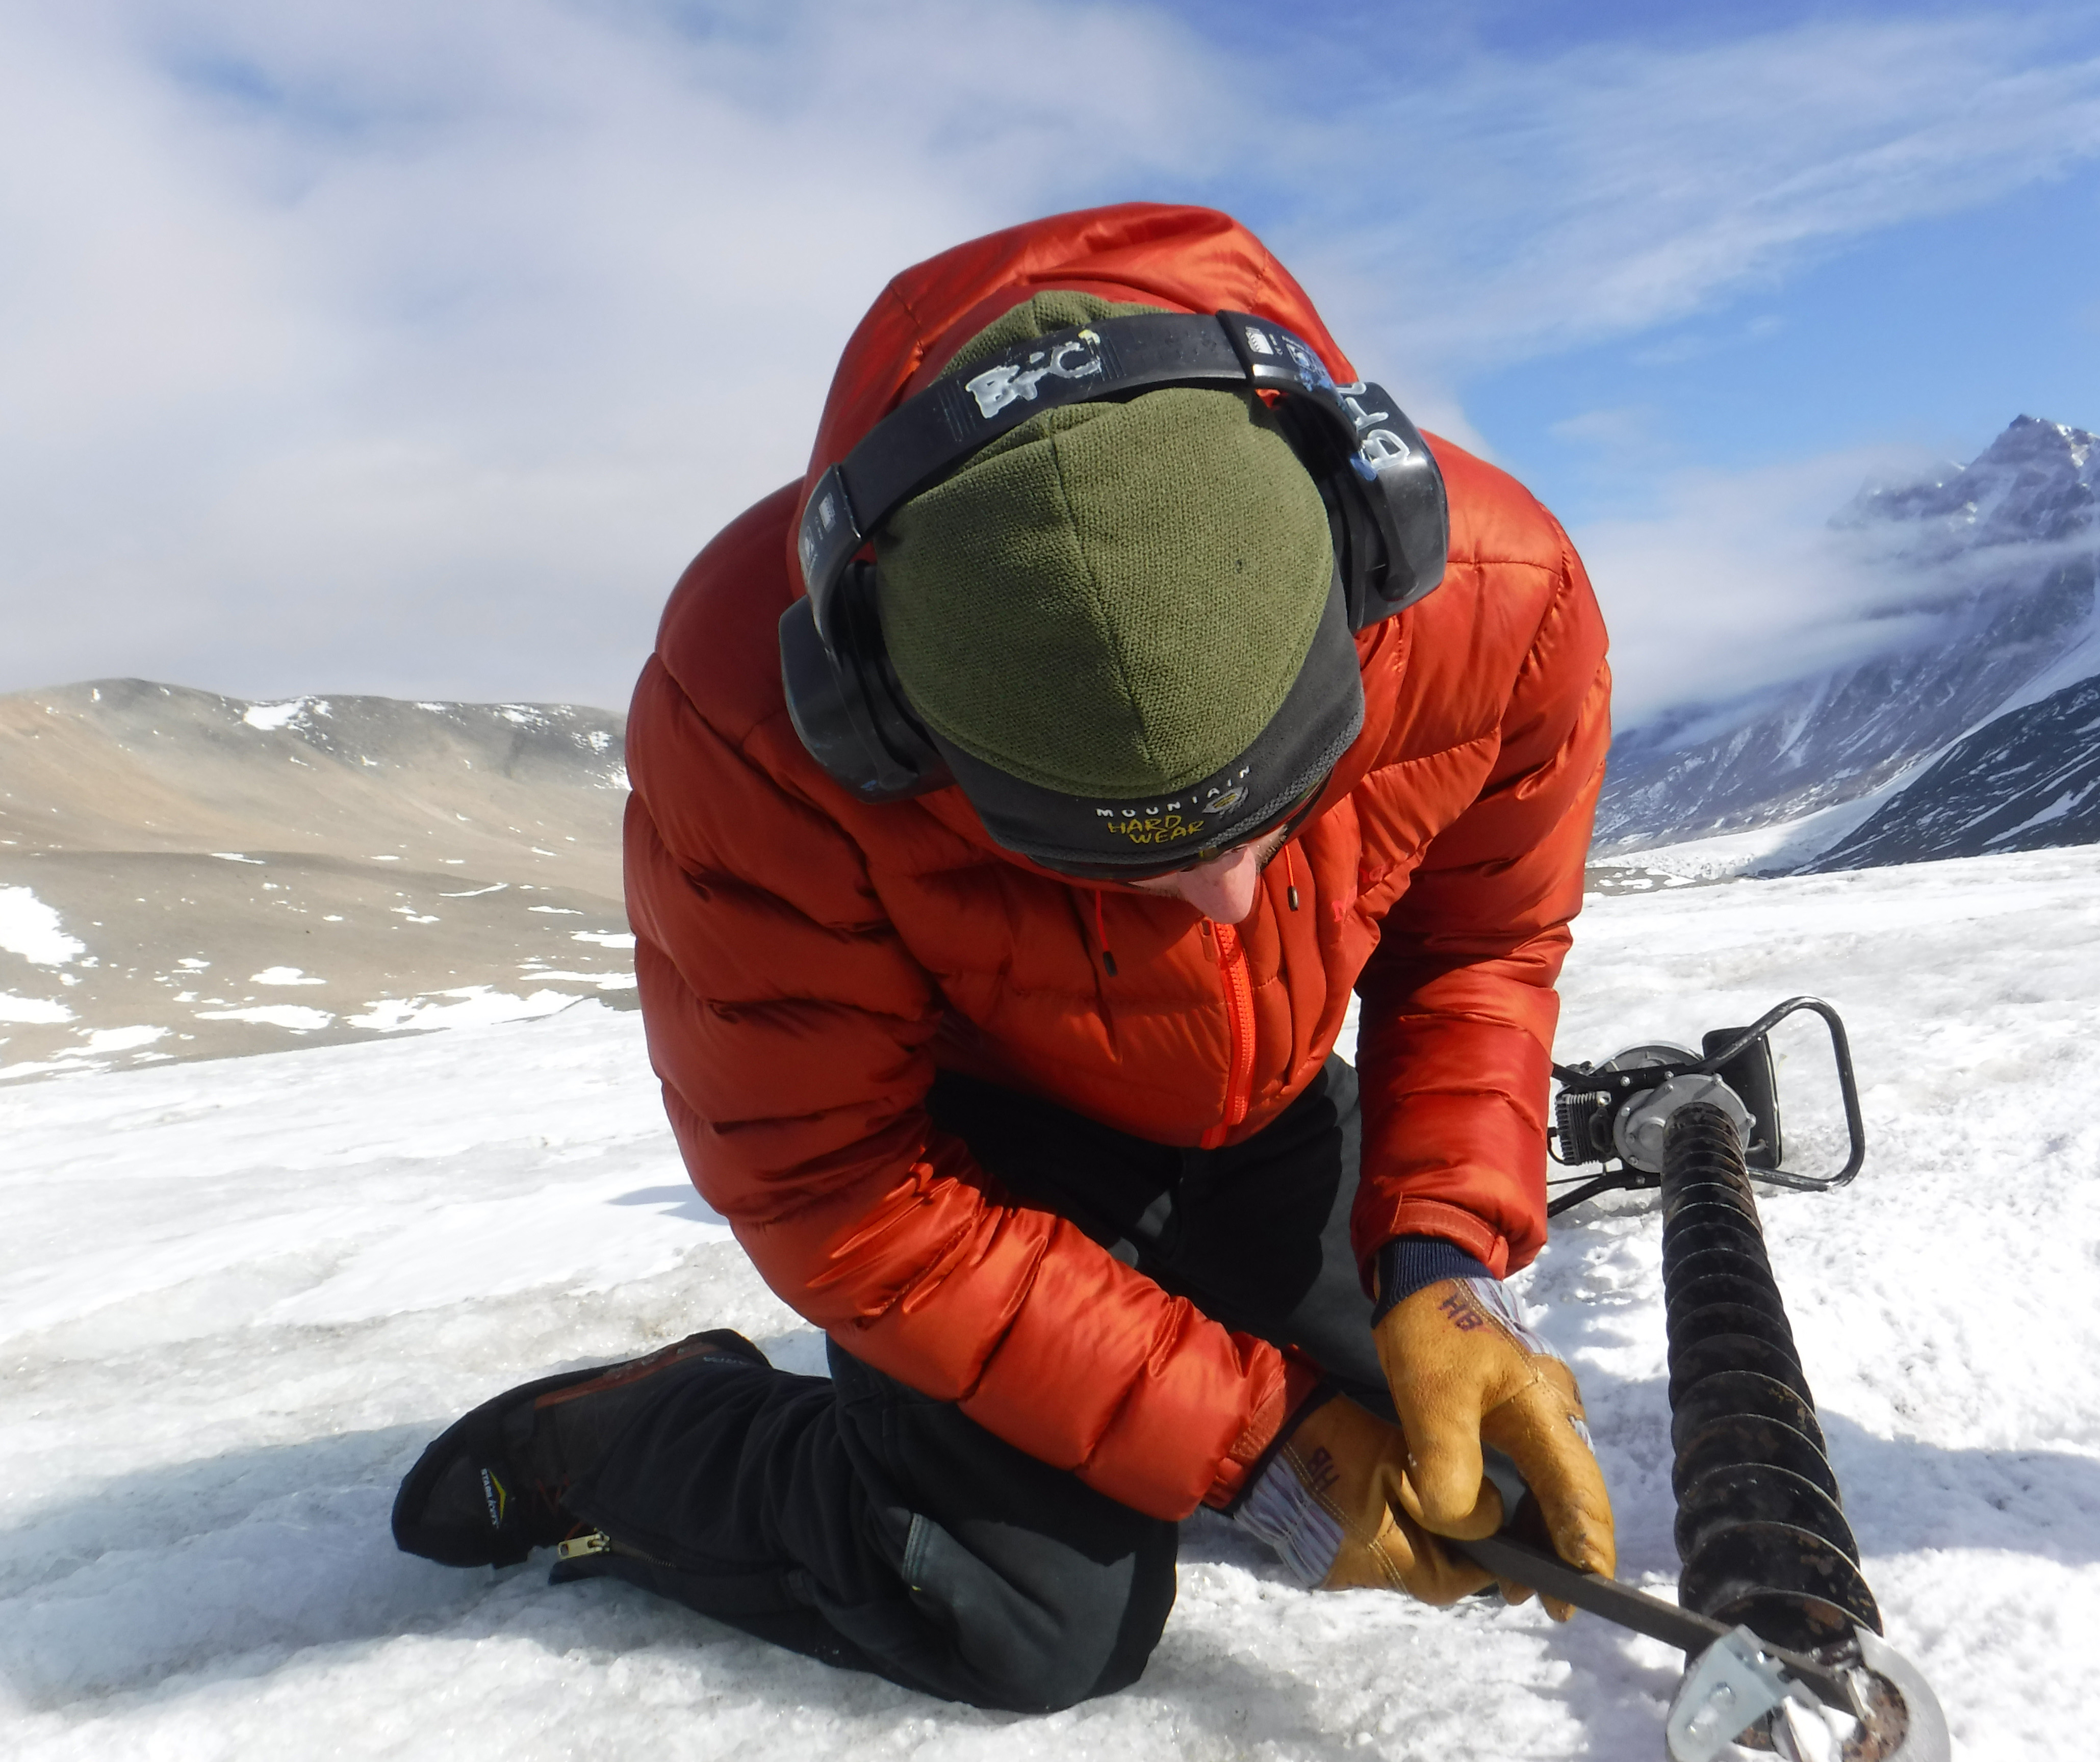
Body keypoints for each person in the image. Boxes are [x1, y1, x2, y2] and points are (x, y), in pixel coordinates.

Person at [393, 202, 1617, 1713]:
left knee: (1454, 1448)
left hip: (1257, 1099)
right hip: (968, 1161)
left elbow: (1475, 950)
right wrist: (1249, 1438)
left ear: (1366, 563)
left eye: (1282, 806)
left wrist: (1440, 1255)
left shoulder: (1500, 601)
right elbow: (831, 1186)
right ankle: (631, 1437)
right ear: (893, 734)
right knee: (1024, 1625)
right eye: (1123, 860)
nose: (1230, 903)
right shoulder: (751, 728)